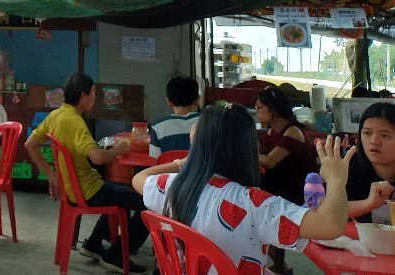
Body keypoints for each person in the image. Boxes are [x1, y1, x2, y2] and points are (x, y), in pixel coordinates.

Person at [134, 104, 356, 275]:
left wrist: (187, 162)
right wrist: (336, 180)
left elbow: (139, 179)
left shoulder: (173, 186)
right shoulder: (254, 204)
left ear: (198, 145)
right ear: (247, 148)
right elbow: (331, 226)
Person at [24, 72, 149, 273]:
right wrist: (119, 149)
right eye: (93, 93)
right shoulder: (76, 123)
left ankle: (93, 244)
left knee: (120, 193)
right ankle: (115, 255)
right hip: (88, 191)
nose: (95, 98)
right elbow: (97, 158)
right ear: (83, 95)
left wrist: (52, 175)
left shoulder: (56, 115)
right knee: (147, 201)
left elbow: (30, 143)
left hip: (72, 189)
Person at [255, 85, 318, 273]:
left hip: (299, 191)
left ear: (273, 110)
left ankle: (280, 265)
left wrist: (245, 150)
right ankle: (280, 265)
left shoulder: (292, 131)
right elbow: (260, 149)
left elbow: (270, 161)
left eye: (260, 108)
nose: (256, 111)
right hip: (281, 186)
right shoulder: (273, 131)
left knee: (257, 205)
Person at [345, 101, 395, 222]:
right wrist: (368, 204)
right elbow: (324, 210)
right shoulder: (347, 165)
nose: (374, 141)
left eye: (385, 135)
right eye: (367, 133)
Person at [148, 76, 200, 159]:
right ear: (197, 100)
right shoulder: (210, 122)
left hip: (170, 168)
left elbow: (155, 160)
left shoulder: (158, 127)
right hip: (202, 168)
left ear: (169, 102)